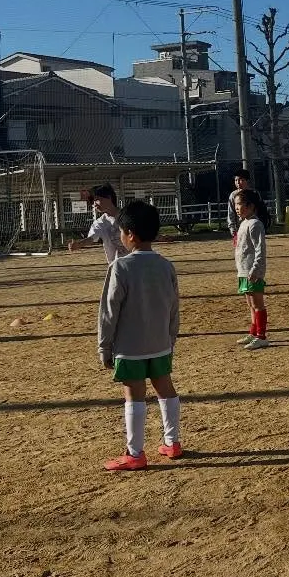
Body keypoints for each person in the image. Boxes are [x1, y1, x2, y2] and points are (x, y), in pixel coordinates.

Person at [96, 200, 182, 471]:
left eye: (121, 231)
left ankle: (135, 453)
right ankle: (173, 442)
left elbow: (109, 313)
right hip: (160, 343)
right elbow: (174, 308)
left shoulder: (120, 267)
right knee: (166, 389)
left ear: (130, 234)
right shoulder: (166, 265)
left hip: (129, 346)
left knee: (134, 395)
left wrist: (104, 347)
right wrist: (170, 340)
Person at [233, 188, 269, 350]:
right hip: (243, 271)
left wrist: (255, 269)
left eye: (239, 204)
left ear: (251, 206)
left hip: (252, 271)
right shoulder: (243, 223)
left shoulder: (255, 224)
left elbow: (260, 250)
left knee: (257, 304)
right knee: (250, 304)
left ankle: (261, 336)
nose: (237, 208)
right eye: (235, 205)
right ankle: (253, 332)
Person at [68, 185, 121, 264]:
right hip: (117, 266)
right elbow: (92, 238)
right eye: (93, 202)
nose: (94, 204)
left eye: (97, 199)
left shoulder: (129, 215)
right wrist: (79, 244)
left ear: (109, 197)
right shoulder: (100, 222)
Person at [226, 169, 251, 242]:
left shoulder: (253, 194)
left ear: (247, 181)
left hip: (252, 226)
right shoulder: (233, 195)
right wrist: (233, 230)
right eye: (236, 180)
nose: (238, 183)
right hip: (239, 227)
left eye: (241, 180)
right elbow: (231, 213)